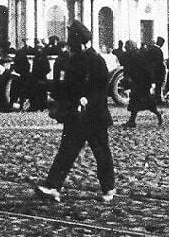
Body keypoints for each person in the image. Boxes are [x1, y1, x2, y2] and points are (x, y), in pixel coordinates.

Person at [34, 21, 115, 203]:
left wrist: (88, 99)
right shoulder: (73, 59)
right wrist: (56, 96)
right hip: (76, 115)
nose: (72, 47)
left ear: (83, 42)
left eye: (75, 44)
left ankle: (109, 187)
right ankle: (53, 186)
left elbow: (101, 88)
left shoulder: (97, 61)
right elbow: (68, 86)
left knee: (101, 152)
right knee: (66, 151)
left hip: (94, 116)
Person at [123, 40, 162, 127]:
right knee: (135, 101)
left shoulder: (137, 56)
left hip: (142, 83)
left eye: (127, 47)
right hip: (137, 82)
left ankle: (158, 115)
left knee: (142, 101)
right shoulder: (132, 55)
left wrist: (147, 81)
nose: (126, 49)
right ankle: (132, 120)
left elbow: (146, 69)